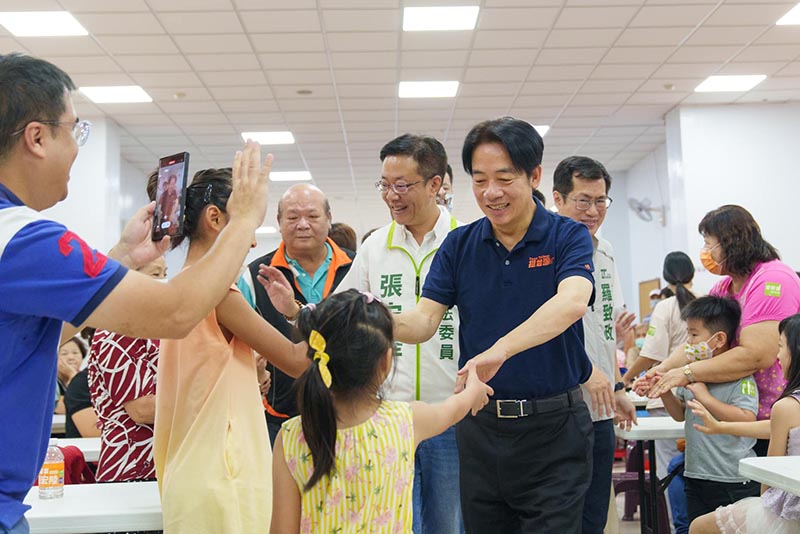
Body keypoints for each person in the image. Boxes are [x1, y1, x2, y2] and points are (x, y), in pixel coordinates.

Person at [0, 52, 272, 534]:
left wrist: (124, 256)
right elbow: (177, 311)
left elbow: (29, 335)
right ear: (37, 138)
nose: (77, 149)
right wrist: (245, 219)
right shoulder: (23, 239)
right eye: (74, 131)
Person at [393, 117, 596, 532]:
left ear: (534, 176)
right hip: (480, 430)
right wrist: (370, 320)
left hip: (554, 431)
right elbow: (424, 320)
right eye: (480, 180)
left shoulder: (567, 236)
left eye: (504, 179)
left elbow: (572, 302)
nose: (491, 192)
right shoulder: (460, 244)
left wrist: (500, 349)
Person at [265, 133, 463, 533]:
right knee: (395, 520)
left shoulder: (466, 241)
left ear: (435, 185)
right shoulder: (375, 248)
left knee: (448, 524)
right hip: (386, 417)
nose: (391, 196)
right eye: (384, 185)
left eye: (401, 186)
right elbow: (340, 316)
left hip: (448, 416)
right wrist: (296, 312)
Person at [153, 168, 309, 534]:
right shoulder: (219, 293)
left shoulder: (178, 288)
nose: (253, 243)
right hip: (224, 478)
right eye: (249, 225)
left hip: (187, 470)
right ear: (214, 218)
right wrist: (309, 315)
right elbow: (297, 361)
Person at [269, 289, 492, 534]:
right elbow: (452, 409)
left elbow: (281, 529)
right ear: (386, 361)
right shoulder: (405, 421)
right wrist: (473, 389)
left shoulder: (291, 437)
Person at [647, 205, 800, 457]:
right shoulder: (723, 288)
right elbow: (698, 344)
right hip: (731, 416)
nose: (705, 252)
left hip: (770, 419)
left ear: (732, 242)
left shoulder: (773, 280)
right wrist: (662, 371)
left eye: (709, 244)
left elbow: (757, 355)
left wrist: (686, 372)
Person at [551, 155, 637, 533]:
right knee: (560, 513)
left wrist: (617, 386)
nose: (593, 211)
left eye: (600, 201)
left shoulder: (605, 251)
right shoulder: (544, 250)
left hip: (601, 406)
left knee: (595, 513)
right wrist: (587, 373)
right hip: (560, 406)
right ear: (558, 199)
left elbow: (606, 329)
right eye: (583, 201)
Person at [240, 184, 354, 444]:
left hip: (349, 413)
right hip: (279, 418)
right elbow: (238, 341)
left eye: (312, 216)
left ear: (329, 218)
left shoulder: (356, 266)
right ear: (279, 222)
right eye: (292, 217)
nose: (303, 224)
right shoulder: (256, 275)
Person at [685, 313, 800, 534]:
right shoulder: (786, 412)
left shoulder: (786, 407)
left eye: (780, 347)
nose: (777, 356)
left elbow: (770, 474)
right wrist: (720, 427)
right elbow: (777, 427)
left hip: (791, 510)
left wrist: (762, 518)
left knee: (698, 527)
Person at [652, 296, 760, 523]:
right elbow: (680, 414)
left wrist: (706, 398)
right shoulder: (691, 372)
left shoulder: (740, 377)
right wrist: (664, 390)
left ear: (719, 339)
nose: (688, 342)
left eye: (694, 335)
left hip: (732, 479)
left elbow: (747, 418)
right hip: (696, 474)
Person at [626, 251, 698, 532]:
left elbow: (651, 354)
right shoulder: (707, 300)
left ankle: (678, 527)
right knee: (699, 472)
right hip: (701, 396)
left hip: (668, 398)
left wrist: (626, 379)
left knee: (670, 473)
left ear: (666, 277)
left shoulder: (665, 307)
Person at [87, 256, 167, 482]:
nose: (164, 282)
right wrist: (205, 401)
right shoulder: (117, 331)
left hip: (161, 461)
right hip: (133, 465)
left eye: (165, 274)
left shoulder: (152, 329)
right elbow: (142, 409)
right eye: (155, 274)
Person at [55, 336, 86, 414]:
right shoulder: (50, 381)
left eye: (75, 353)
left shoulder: (87, 378)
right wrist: (73, 376)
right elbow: (61, 408)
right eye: (64, 353)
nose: (71, 357)